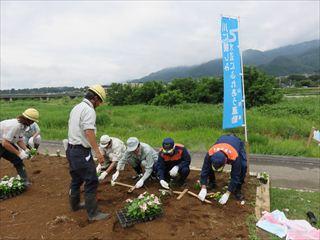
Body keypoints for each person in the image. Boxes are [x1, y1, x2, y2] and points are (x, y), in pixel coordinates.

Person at [66, 84, 109, 221]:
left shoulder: (76, 108)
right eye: (100, 101)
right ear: (95, 98)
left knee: (77, 178)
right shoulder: (89, 110)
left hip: (71, 149)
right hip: (80, 151)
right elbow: (89, 131)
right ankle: (93, 214)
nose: (99, 104)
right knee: (91, 180)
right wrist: (98, 152)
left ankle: (75, 205)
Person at [198, 134, 247, 205]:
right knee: (208, 167)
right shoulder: (210, 153)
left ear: (225, 161)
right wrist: (203, 187)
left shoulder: (234, 156)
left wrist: (227, 193)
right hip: (222, 139)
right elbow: (205, 169)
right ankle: (212, 182)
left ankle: (238, 189)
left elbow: (235, 175)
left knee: (243, 166)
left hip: (236, 143)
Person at [0, 108, 40, 186]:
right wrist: (19, 153)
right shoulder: (15, 126)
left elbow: (19, 140)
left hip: (4, 141)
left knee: (17, 160)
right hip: (3, 142)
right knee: (17, 156)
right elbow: (5, 143)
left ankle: (24, 181)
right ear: (27, 119)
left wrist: (26, 150)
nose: (32, 123)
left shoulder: (23, 126)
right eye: (32, 121)